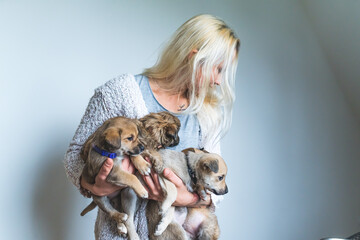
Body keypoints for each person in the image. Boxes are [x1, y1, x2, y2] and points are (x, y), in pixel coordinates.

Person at [64, 14, 240, 239]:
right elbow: (74, 157)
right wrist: (95, 186)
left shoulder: (207, 113)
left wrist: (187, 198)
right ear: (195, 58)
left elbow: (215, 189)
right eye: (219, 69)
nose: (218, 81)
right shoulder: (120, 92)